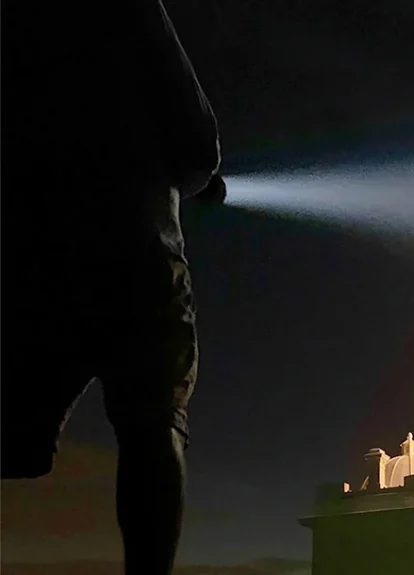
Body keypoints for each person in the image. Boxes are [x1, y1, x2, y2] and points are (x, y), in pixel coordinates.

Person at [1, 1, 223, 573]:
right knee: (154, 428)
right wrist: (194, 181)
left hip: (28, 264)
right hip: (136, 258)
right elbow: (195, 147)